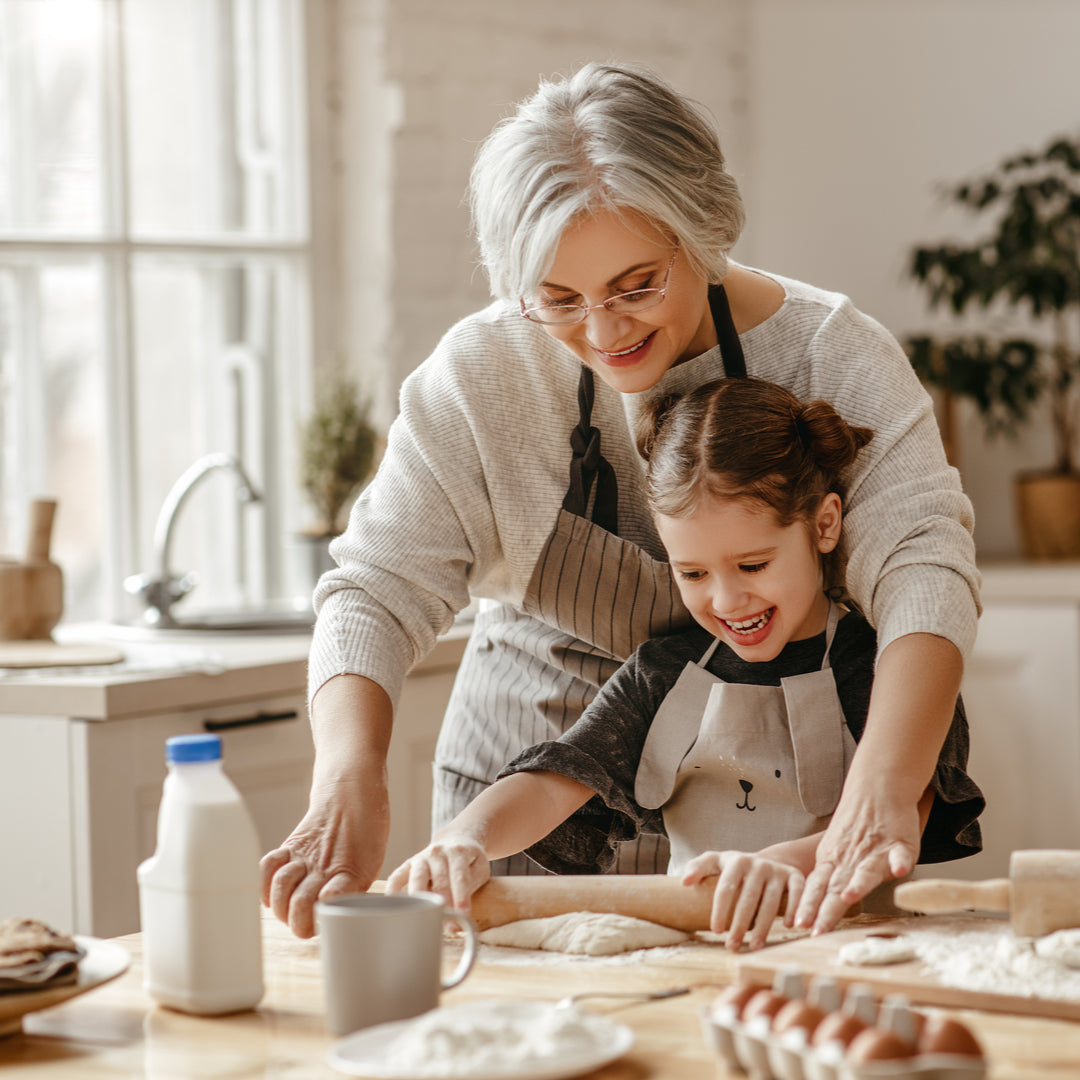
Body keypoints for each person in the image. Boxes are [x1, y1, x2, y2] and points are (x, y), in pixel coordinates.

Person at [261, 61, 981, 940]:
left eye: (637, 284)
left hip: (770, 829)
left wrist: (882, 787)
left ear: (701, 232)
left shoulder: (831, 352)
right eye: (558, 300)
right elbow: (373, 587)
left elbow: (924, 569)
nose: (604, 333)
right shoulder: (481, 372)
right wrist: (348, 777)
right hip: (531, 802)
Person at [386, 378, 984, 951]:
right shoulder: (664, 673)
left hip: (852, 945)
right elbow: (553, 783)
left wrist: (783, 868)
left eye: (753, 565)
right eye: (693, 573)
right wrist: (465, 837)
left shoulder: (888, 667)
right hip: (701, 952)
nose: (725, 601)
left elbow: (908, 806)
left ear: (823, 525)